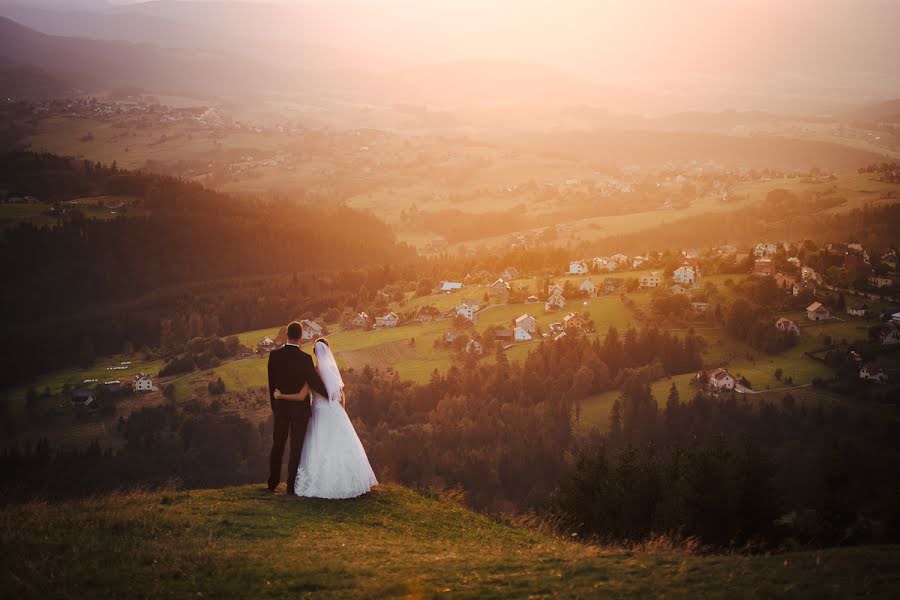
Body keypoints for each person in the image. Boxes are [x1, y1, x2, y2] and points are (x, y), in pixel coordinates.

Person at [273, 338, 378, 499]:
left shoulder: (313, 372)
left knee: (320, 446)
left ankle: (321, 482)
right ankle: (348, 481)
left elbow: (301, 396)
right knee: (340, 446)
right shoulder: (333, 372)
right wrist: (340, 411)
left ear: (315, 353)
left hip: (319, 414)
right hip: (335, 412)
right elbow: (342, 396)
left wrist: (281, 396)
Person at [266, 321, 327, 495]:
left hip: (281, 408)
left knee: (278, 444)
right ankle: (291, 486)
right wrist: (330, 395)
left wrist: (275, 406)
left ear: (286, 334)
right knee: (296, 447)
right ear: (300, 337)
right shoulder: (305, 359)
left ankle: (272, 483)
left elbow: (272, 385)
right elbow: (315, 383)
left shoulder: (274, 356)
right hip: (300, 410)